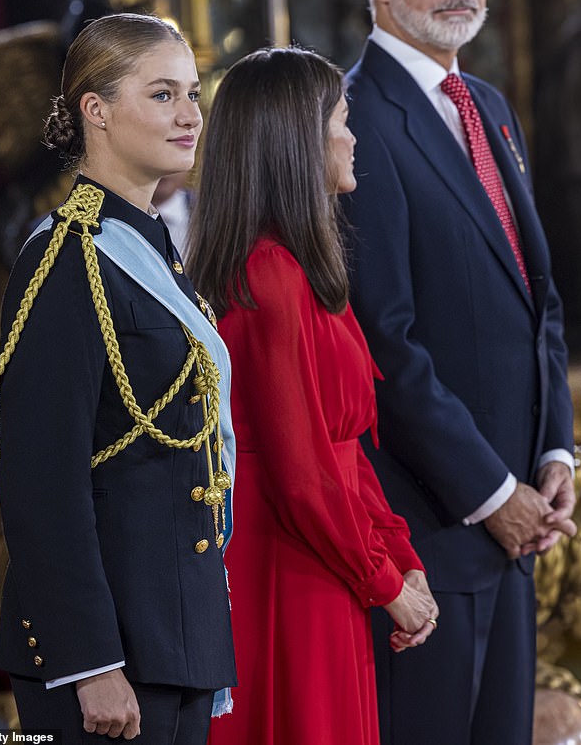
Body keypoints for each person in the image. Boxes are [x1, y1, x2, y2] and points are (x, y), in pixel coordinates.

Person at [342, 0, 577, 745]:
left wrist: (555, 451)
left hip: (518, 523)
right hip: (430, 538)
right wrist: (490, 492)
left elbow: (538, 298)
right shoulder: (354, 117)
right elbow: (386, 345)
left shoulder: (488, 107)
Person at [0, 12, 236, 743]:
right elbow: (41, 478)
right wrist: (90, 660)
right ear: (95, 111)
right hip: (110, 653)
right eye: (162, 94)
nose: (190, 114)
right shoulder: (67, 259)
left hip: (175, 636)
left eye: (192, 93)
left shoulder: (153, 250)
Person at [186, 46, 438, 745]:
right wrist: (384, 581)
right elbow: (301, 478)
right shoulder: (267, 275)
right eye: (341, 120)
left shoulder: (298, 270)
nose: (352, 137)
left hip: (328, 559)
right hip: (289, 570)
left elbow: (346, 450)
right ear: (297, 142)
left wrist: (399, 559)